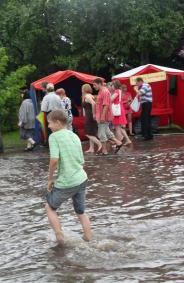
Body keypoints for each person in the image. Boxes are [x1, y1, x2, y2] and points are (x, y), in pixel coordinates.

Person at [45, 109, 92, 244]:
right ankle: (88, 238)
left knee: (50, 207)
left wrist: (50, 179)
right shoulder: (74, 135)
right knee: (81, 212)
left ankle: (60, 238)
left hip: (67, 181)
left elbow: (54, 160)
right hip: (81, 178)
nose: (48, 126)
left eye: (50, 123)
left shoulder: (54, 137)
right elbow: (81, 160)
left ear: (58, 123)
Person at [93, 78, 123, 155]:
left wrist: (102, 116)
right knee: (106, 131)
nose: (94, 87)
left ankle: (104, 151)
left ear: (99, 83)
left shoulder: (105, 92)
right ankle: (118, 143)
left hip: (104, 116)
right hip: (101, 115)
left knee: (101, 133)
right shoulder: (101, 91)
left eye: (95, 85)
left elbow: (106, 105)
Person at [81, 84, 101, 153]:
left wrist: (94, 113)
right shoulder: (91, 95)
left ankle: (99, 143)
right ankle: (91, 148)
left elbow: (93, 104)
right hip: (90, 115)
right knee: (91, 132)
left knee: (87, 133)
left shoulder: (87, 96)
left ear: (84, 89)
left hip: (89, 115)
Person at [111, 80, 132, 145]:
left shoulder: (116, 91)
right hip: (119, 109)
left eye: (112, 85)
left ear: (114, 85)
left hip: (117, 110)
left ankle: (119, 143)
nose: (111, 86)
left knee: (117, 127)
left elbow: (111, 99)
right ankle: (127, 140)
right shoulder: (119, 91)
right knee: (120, 127)